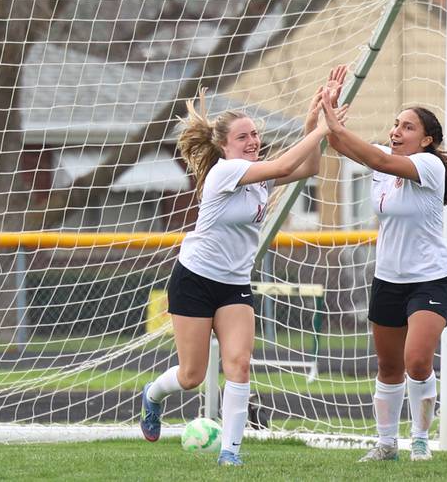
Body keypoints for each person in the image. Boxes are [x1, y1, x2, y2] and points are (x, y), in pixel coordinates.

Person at [140, 68, 348, 467]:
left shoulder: (257, 174)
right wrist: (322, 128)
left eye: (255, 134)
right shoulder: (225, 172)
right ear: (223, 146)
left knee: (239, 363)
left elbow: (306, 169)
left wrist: (315, 118)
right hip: (195, 280)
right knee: (192, 376)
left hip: (234, 283)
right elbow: (286, 167)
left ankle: (230, 453)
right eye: (243, 137)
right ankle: (153, 395)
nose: (253, 142)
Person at [320, 83, 447, 462]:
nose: (396, 131)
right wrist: (328, 110)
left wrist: (338, 126)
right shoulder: (382, 159)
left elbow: (378, 161)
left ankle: (419, 438)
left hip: (431, 277)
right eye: (396, 124)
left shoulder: (429, 166)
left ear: (427, 140)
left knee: (417, 361)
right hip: (388, 279)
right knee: (388, 366)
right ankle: (385, 443)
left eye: (408, 127)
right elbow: (339, 146)